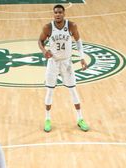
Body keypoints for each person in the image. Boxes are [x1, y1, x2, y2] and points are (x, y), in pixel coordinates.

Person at [37, 3, 89, 133]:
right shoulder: (48, 27)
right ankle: (47, 119)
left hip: (67, 63)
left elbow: (78, 41)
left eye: (60, 12)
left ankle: (80, 118)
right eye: (56, 13)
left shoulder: (71, 26)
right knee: (49, 91)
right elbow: (40, 41)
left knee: (73, 91)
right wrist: (44, 51)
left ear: (64, 14)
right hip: (53, 62)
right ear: (53, 14)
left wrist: (82, 57)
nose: (58, 15)